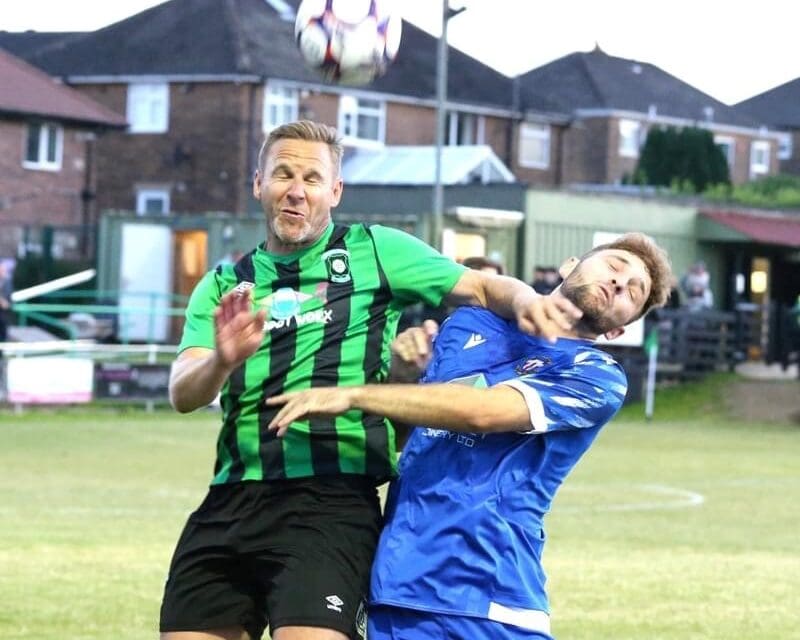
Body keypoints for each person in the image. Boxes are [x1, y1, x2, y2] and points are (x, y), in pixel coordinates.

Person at [160, 120, 582, 640]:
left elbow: (481, 286)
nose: (296, 190)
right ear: (258, 184)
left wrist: (527, 301)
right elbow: (183, 392)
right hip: (229, 501)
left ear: (334, 191)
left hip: (331, 500)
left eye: (312, 178)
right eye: (283, 174)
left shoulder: (376, 250)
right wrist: (222, 360)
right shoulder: (225, 284)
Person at [266, 232, 673, 640]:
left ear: (618, 332)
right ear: (569, 265)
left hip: (492, 597)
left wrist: (355, 394)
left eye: (633, 293)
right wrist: (405, 375)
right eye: (615, 266)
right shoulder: (468, 322)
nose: (620, 283)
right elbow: (406, 443)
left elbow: (480, 413)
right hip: (397, 587)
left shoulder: (596, 375)